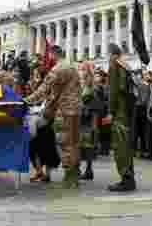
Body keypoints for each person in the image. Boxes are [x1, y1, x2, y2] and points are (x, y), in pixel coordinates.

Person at [25, 45, 81, 188]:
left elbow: (44, 89)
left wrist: (26, 100)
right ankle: (75, 174)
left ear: (53, 54)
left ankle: (70, 178)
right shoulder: (73, 67)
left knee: (64, 143)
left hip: (63, 110)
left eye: (49, 55)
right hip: (75, 110)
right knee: (74, 143)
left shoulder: (58, 69)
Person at [107, 43, 137, 192]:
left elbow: (113, 91)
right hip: (127, 110)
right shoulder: (126, 66)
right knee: (126, 145)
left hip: (119, 112)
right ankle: (129, 178)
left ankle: (126, 180)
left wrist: (110, 112)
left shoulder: (114, 66)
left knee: (121, 147)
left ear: (112, 54)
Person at [78, 62, 102, 181]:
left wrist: (84, 107)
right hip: (82, 118)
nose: (80, 72)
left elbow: (96, 104)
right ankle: (87, 169)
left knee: (88, 143)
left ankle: (88, 170)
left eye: (82, 69)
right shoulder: (82, 85)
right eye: (80, 69)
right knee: (83, 144)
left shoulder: (92, 86)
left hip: (89, 119)